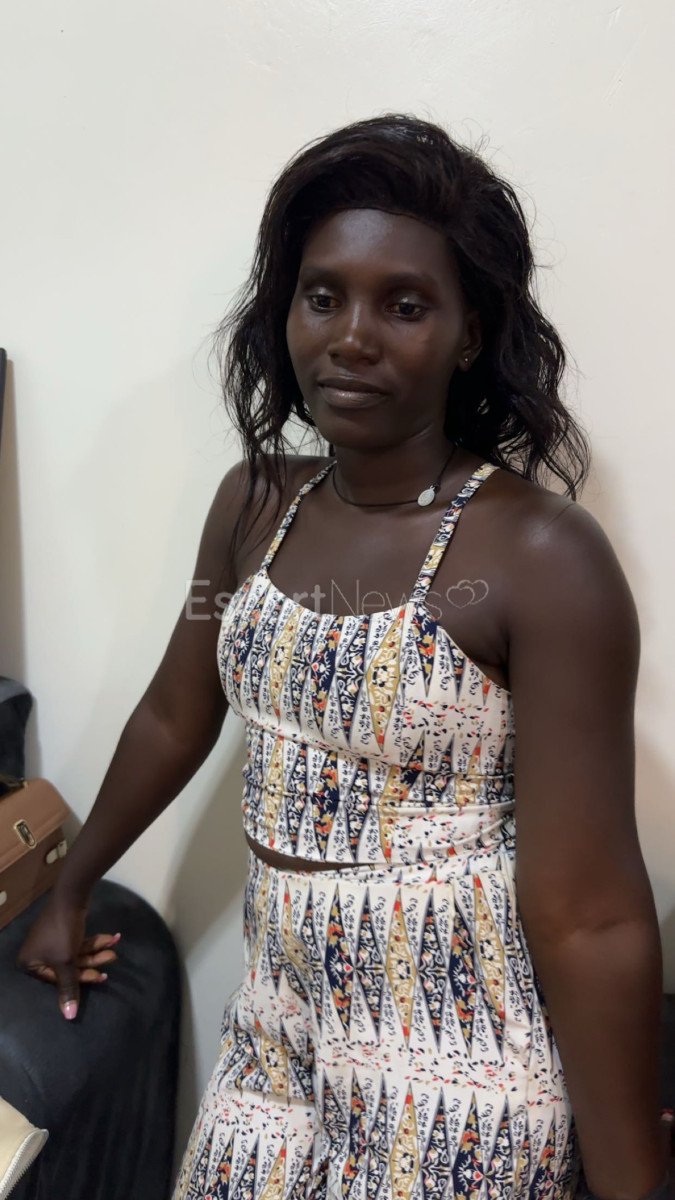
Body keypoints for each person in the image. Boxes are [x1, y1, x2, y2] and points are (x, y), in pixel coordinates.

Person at [16, 114, 669, 1200]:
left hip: (458, 1052)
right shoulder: (254, 504)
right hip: (277, 1026)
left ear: (468, 334)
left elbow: (589, 909)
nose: (351, 337)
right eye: (323, 297)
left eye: (404, 305)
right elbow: (177, 714)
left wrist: (631, 1181)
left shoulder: (541, 556)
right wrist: (70, 889)